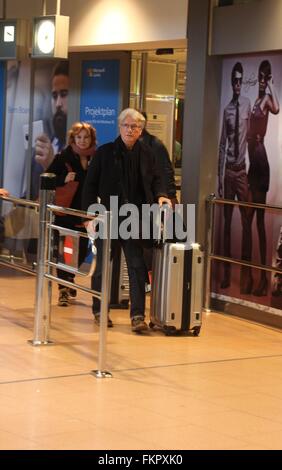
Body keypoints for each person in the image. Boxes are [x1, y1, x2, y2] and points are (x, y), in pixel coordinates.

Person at [82, 108, 171, 332]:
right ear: (119, 127)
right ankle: (99, 311)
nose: (130, 130)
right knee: (103, 267)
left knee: (137, 266)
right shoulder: (104, 152)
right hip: (108, 216)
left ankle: (138, 316)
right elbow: (90, 185)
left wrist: (161, 195)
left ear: (141, 130)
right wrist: (89, 215)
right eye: (127, 126)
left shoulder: (148, 153)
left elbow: (157, 179)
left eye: (135, 127)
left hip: (135, 218)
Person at [47, 122, 96, 306]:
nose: (82, 141)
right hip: (65, 212)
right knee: (63, 252)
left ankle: (69, 278)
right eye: (79, 137)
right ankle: (63, 289)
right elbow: (46, 178)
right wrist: (62, 178)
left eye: (86, 137)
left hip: (85, 213)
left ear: (91, 139)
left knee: (82, 251)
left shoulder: (96, 158)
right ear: (73, 139)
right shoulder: (63, 157)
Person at [218, 62, 252, 293]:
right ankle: (226, 276)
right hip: (229, 171)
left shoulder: (248, 105)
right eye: (235, 81)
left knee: (247, 223)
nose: (238, 84)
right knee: (227, 225)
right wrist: (220, 178)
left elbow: (250, 135)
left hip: (242, 171)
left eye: (241, 80)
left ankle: (247, 276)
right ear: (232, 82)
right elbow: (222, 145)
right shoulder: (227, 110)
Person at [246, 60, 279, 296]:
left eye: (265, 76)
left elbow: (277, 109)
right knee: (248, 220)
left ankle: (263, 280)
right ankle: (251, 277)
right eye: (260, 75)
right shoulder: (255, 100)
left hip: (260, 161)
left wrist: (273, 86)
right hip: (252, 164)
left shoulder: (267, 99)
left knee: (258, 221)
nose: (261, 79)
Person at [31, 61, 69, 199]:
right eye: (54, 96)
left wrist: (51, 166)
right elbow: (32, 192)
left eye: (64, 94)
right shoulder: (41, 150)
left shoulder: (83, 153)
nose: (58, 103)